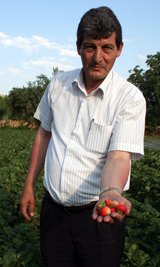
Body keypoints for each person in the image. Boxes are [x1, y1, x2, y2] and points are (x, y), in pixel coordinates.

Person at [20, 6, 146, 267]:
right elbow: (43, 136)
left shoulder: (129, 98)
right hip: (53, 212)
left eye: (107, 48)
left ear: (119, 49)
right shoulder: (57, 85)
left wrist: (110, 192)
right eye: (90, 47)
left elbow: (119, 155)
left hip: (97, 218)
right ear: (78, 47)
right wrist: (29, 185)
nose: (97, 57)